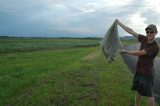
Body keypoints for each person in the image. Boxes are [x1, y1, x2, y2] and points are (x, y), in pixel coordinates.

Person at [116, 19, 159, 106]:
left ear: (156, 33)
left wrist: (126, 52)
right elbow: (131, 32)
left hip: (147, 72)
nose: (149, 33)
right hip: (139, 69)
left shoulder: (155, 46)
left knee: (149, 94)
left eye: (152, 32)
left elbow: (139, 53)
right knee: (138, 90)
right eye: (147, 31)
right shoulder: (144, 38)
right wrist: (119, 23)